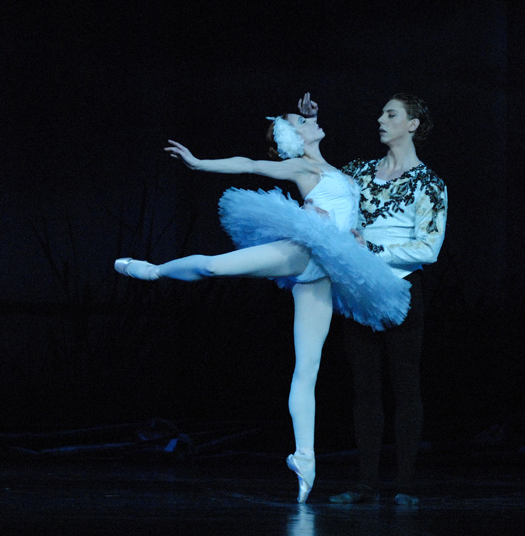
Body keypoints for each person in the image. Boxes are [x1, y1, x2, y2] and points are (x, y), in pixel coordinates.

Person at [113, 111, 411, 504]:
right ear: (294, 138)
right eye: (301, 122)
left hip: (327, 271)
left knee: (308, 367)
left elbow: (346, 210)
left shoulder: (333, 169)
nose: (312, 120)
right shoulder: (302, 166)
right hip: (304, 250)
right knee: (214, 266)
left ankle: (305, 457)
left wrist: (355, 233)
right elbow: (250, 164)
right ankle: (154, 271)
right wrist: (200, 163)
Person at [299, 93, 447, 506]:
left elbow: (429, 247)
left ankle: (405, 486)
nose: (381, 119)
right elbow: (319, 173)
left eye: (391, 114)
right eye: (381, 112)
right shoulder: (360, 172)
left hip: (401, 288)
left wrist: (372, 250)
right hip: (359, 289)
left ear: (412, 124)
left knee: (405, 385)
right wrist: (310, 126)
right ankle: (366, 483)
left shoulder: (429, 183)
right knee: (364, 387)